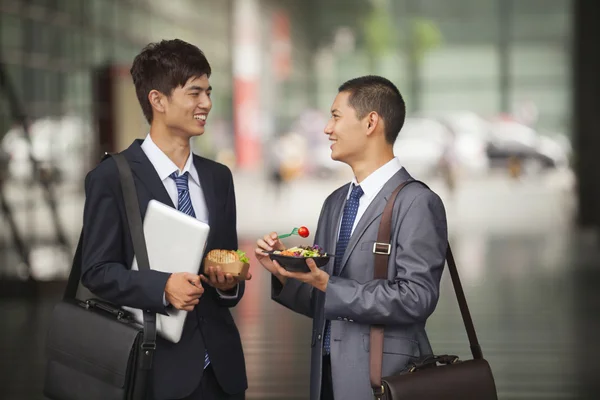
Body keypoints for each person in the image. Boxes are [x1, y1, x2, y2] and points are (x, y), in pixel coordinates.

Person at [255, 76, 448, 400]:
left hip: (384, 382)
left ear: (371, 122)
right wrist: (286, 275)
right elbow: (326, 299)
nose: (327, 129)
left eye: (336, 116)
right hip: (327, 380)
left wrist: (327, 284)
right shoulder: (335, 203)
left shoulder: (416, 202)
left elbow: (417, 298)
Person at [81, 39, 249, 400]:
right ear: (158, 100)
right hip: (155, 371)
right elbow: (95, 271)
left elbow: (226, 264)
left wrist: (228, 281)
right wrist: (162, 288)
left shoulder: (219, 178)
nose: (206, 103)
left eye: (208, 92)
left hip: (222, 373)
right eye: (194, 93)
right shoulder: (112, 177)